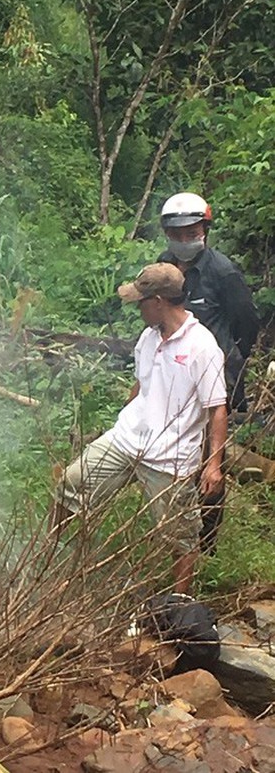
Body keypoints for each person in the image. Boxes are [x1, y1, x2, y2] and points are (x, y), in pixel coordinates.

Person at [51, 264, 227, 595]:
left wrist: (214, 465)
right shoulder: (148, 337)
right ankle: (46, 565)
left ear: (158, 301)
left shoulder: (203, 347)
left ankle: (179, 603)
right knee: (69, 485)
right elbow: (141, 385)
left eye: (141, 302)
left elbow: (217, 408)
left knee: (180, 534)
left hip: (169, 457)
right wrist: (122, 418)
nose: (137, 309)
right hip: (126, 440)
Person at [158, 192, 259, 553]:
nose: (184, 240)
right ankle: (173, 535)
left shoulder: (223, 273)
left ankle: (207, 544)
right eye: (177, 234)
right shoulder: (165, 266)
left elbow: (247, 323)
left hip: (212, 380)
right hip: (172, 379)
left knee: (208, 462)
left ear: (205, 229)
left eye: (192, 232)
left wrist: (230, 362)